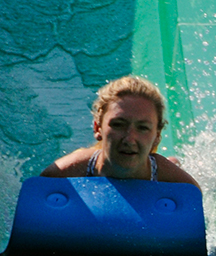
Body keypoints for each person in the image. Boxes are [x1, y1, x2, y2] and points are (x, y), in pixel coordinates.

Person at [41, 75, 200, 187]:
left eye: (143, 128)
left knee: (172, 164)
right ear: (98, 128)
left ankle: (172, 161)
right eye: (118, 124)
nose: (130, 139)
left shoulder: (179, 184)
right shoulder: (62, 174)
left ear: (157, 135)